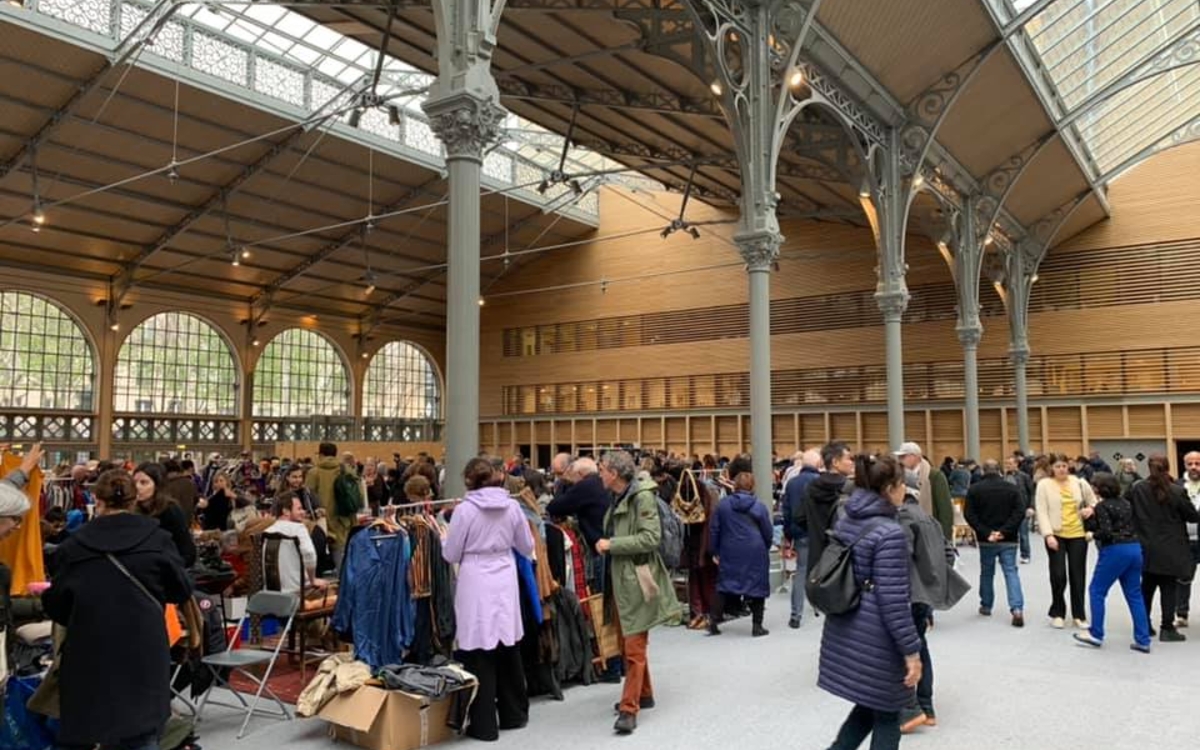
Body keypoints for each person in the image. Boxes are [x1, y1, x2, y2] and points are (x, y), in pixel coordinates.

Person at [43, 469, 192, 750]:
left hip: (89, 653)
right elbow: (181, 590)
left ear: (97, 500)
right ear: (134, 501)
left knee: (85, 733)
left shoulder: (73, 546)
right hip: (143, 651)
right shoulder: (157, 539)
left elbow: (57, 607)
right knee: (141, 736)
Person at [818, 454, 922, 750]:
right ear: (889, 488)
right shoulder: (890, 533)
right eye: (903, 485)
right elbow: (893, 601)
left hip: (849, 622)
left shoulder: (849, 516)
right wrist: (911, 651)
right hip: (877, 635)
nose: (906, 491)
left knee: (871, 702)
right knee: (889, 712)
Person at [442, 457, 535, 742]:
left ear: (469, 481)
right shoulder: (513, 507)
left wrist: (446, 541)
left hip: (475, 578)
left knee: (478, 648)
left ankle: (483, 724)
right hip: (504, 576)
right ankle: (514, 714)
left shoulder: (464, 511)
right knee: (507, 642)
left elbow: (451, 554)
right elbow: (526, 546)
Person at [595, 450, 678, 736]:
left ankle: (629, 709)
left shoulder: (640, 497)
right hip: (622, 580)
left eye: (602, 469)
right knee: (631, 639)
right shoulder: (618, 496)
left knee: (633, 646)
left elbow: (650, 538)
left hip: (635, 580)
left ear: (615, 474)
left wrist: (611, 544)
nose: (600, 473)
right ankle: (645, 693)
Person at [896, 464, 970, 734]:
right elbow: (948, 554)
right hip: (925, 595)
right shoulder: (929, 518)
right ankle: (926, 708)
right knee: (920, 646)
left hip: (907, 594)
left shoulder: (902, 518)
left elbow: (899, 558)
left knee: (904, 650)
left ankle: (910, 708)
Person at [1073, 473, 1152, 652]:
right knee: (1134, 595)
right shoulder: (1126, 503)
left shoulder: (1102, 506)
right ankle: (1143, 639)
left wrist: (1092, 533)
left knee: (1097, 591)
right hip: (1134, 548)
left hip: (1115, 550)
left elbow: (1106, 531)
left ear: (1099, 489)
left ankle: (1096, 633)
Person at [1129, 454, 1200, 642]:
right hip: (1171, 546)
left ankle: (1144, 625)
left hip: (1146, 545)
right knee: (1169, 588)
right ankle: (1167, 628)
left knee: (1146, 586)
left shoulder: (1137, 489)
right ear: (1168, 468)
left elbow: (1129, 511)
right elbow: (1192, 516)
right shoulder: (1176, 491)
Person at [707, 456, 774, 637]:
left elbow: (714, 530)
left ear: (734, 485)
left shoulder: (723, 505)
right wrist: (765, 547)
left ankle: (713, 622)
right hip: (755, 549)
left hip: (730, 550)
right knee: (757, 586)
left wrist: (714, 551)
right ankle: (757, 626)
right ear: (752, 486)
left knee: (724, 585)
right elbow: (768, 532)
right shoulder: (759, 506)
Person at [1034, 453, 1097, 628]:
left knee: (1078, 575)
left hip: (1078, 534)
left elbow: (1094, 501)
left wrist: (1090, 509)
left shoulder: (1080, 483)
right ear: (1051, 469)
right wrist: (1048, 535)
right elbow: (1042, 511)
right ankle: (1058, 612)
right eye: (1057, 466)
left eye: (1064, 466)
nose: (1061, 469)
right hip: (1056, 534)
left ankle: (1079, 614)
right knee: (1058, 575)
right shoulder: (1044, 485)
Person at [965, 460, 1026, 627]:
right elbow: (1019, 512)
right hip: (1009, 538)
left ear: (983, 471)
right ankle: (1017, 608)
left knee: (987, 572)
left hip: (986, 539)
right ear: (1000, 471)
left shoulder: (975, 489)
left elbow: (970, 514)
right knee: (1011, 571)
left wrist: (986, 532)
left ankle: (986, 605)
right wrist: (1004, 531)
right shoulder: (1012, 489)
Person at [800, 441, 854, 579]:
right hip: (845, 557)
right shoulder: (851, 489)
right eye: (848, 458)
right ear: (835, 462)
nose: (851, 462)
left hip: (818, 556)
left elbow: (798, 517)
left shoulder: (810, 487)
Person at [782, 448, 821, 628]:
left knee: (801, 571)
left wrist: (788, 534)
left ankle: (795, 614)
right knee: (821, 570)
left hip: (799, 533)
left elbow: (787, 511)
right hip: (818, 533)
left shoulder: (792, 483)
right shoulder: (820, 482)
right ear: (818, 464)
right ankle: (819, 603)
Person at [263, 490, 326, 594]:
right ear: (286, 511)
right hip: (298, 593)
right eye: (299, 509)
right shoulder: (298, 528)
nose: (303, 512)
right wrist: (312, 579)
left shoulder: (267, 532)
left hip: (273, 595)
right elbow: (309, 554)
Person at [134, 461, 196, 567]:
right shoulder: (133, 509)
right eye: (134, 482)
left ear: (157, 485)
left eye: (144, 482)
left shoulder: (170, 510)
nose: (137, 487)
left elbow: (186, 551)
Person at [307, 442, 355, 567]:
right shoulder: (347, 471)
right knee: (342, 560)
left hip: (320, 520)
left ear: (321, 454)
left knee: (316, 558)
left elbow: (308, 497)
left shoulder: (313, 472)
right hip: (342, 519)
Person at [895, 442, 955, 540]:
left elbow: (944, 508)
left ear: (915, 456)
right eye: (899, 457)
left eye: (903, 456)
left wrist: (946, 537)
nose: (900, 460)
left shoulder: (935, 476)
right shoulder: (898, 476)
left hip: (931, 531)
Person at [1174, 451, 1200, 627]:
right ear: (1184, 465)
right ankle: (1181, 614)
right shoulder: (1176, 486)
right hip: (1184, 541)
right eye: (1190, 464)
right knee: (1183, 578)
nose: (1194, 467)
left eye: (1197, 463)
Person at [1004, 455, 1036, 563]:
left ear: (1016, 464)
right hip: (1008, 510)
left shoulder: (1024, 477)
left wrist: (1031, 507)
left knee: (1023, 534)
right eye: (1006, 464)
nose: (1008, 466)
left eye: (1010, 463)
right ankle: (1008, 555)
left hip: (1023, 509)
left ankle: (1025, 555)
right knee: (1008, 534)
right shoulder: (1004, 477)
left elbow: (1031, 493)